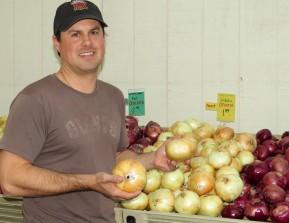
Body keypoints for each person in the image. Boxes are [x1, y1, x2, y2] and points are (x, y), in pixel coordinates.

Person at [0, 1, 178, 222]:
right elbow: (10, 180)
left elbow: (113, 157)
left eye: (94, 32)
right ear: (57, 42)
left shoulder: (113, 96)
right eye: (75, 34)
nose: (87, 42)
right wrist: (88, 182)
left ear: (104, 39)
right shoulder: (35, 100)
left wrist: (152, 159)